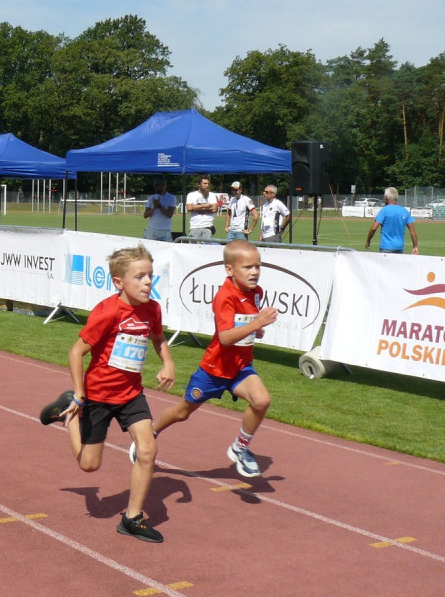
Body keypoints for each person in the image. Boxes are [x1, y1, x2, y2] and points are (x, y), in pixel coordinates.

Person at [38, 244, 175, 543]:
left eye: (150, 276)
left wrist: (168, 362)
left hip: (131, 394)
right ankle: (69, 415)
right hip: (97, 395)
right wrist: (78, 394)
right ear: (119, 282)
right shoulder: (108, 312)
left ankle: (132, 518)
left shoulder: (152, 308)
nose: (148, 282)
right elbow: (76, 353)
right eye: (139, 277)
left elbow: (158, 338)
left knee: (148, 450)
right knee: (89, 465)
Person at [132, 240, 278, 479]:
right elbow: (226, 337)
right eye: (248, 267)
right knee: (182, 412)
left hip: (240, 368)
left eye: (258, 267)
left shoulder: (256, 294)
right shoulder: (225, 296)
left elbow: (243, 326)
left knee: (261, 400)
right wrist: (257, 323)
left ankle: (240, 447)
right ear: (230, 269)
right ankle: (151, 433)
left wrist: (255, 329)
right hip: (213, 370)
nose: (254, 272)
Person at [365, 187, 418, 254]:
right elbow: (412, 230)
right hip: (399, 248)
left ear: (387, 199)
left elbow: (374, 228)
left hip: (386, 247)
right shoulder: (404, 211)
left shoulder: (384, 210)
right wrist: (415, 246)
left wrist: (368, 241)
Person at [142, 177, 177, 242]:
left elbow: (169, 215)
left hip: (165, 229)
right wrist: (154, 207)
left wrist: (159, 206)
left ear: (164, 185)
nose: (156, 187)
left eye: (158, 185)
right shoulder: (151, 197)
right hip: (152, 228)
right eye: (155, 185)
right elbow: (145, 215)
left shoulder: (171, 198)